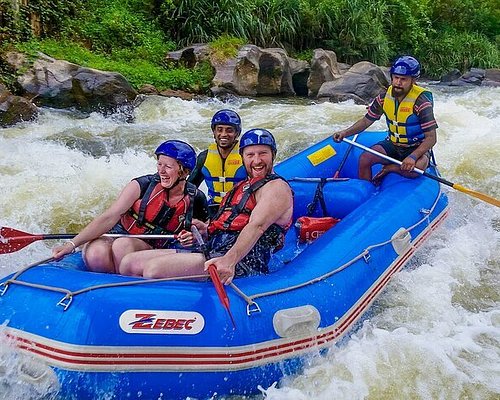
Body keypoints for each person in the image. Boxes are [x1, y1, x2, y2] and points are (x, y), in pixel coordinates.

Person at [120, 128, 293, 284]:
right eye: (250, 155)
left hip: (243, 260)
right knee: (129, 263)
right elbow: (228, 223)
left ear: (273, 155)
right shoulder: (242, 186)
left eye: (262, 153)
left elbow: (257, 226)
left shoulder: (276, 187)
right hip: (214, 248)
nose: (257, 160)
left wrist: (229, 261)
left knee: (153, 269)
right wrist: (204, 230)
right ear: (242, 157)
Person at [52, 140, 209, 274]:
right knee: (96, 254)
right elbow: (109, 217)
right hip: (119, 233)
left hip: (154, 246)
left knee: (123, 245)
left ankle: (128, 289)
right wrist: (71, 244)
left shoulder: (196, 198)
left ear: (184, 171)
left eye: (168, 166)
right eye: (159, 164)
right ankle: (108, 289)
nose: (161, 171)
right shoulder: (142, 185)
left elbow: (203, 233)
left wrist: (193, 236)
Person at [333, 56, 438, 184]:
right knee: (365, 159)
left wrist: (412, 157)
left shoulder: (421, 102)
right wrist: (345, 133)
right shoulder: (383, 98)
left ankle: (391, 168)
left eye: (403, 79)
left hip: (416, 147)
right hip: (394, 145)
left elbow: (431, 138)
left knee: (415, 170)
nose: (398, 82)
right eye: (396, 78)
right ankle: (367, 191)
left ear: (413, 81)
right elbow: (366, 121)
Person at [188, 109, 247, 216]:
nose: (223, 134)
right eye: (219, 130)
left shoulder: (246, 156)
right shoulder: (204, 157)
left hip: (241, 208)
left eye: (229, 130)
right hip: (212, 207)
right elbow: (190, 187)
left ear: (237, 133)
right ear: (214, 132)